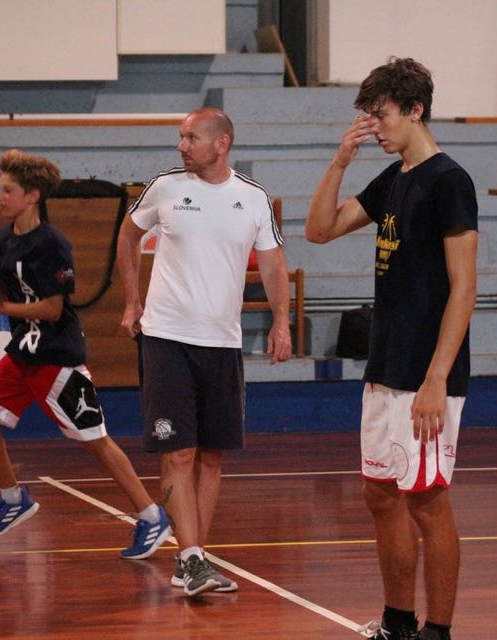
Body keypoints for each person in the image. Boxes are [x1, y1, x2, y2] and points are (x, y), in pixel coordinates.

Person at [305, 58, 478, 640]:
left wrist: (437, 378)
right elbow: (320, 230)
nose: (373, 127)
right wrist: (340, 160)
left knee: (427, 501)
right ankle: (398, 623)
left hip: (427, 372)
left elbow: (464, 287)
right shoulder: (393, 176)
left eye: (381, 115)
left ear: (415, 110)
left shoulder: (449, 180)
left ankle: (438, 631)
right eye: (368, 116)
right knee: (380, 494)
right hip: (386, 365)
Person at [116, 107, 293, 597]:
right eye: (181, 137)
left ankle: (193, 559)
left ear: (222, 143)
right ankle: (191, 558)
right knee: (179, 451)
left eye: (191, 137)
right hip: (167, 338)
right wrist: (132, 300)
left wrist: (281, 321)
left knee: (212, 457)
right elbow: (128, 237)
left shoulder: (253, 198)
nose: (181, 146)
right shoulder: (165, 187)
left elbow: (274, 265)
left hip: (222, 343)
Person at [0, 149, 171, 560]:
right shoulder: (2, 241)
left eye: (8, 190)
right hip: (23, 353)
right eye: (0, 189)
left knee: (97, 441)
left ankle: (151, 516)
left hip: (58, 359)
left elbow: (52, 309)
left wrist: (0, 308)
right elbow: (5, 291)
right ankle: (13, 498)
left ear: (32, 196)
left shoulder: (53, 245)